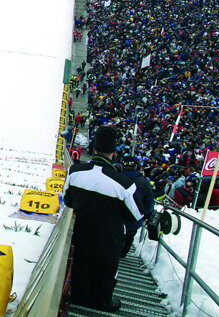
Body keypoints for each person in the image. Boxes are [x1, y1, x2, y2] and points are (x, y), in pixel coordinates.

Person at [65, 126, 143, 313]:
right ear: (114, 153)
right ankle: (102, 302)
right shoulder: (124, 183)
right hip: (109, 240)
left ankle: (78, 296)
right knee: (105, 274)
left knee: (81, 267)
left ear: (93, 149)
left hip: (81, 234)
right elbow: (137, 217)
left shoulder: (75, 171)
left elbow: (68, 200)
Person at [120, 156, 155, 257]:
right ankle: (122, 254)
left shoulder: (115, 177)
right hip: (134, 219)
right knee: (129, 236)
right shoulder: (144, 182)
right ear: (137, 166)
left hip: (114, 217)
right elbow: (149, 202)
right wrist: (146, 215)